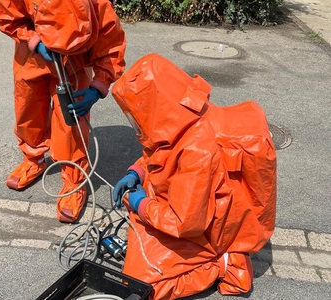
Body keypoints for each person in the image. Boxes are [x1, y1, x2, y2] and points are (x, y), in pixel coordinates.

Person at [111, 53, 277, 299]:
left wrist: (142, 205)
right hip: (209, 212)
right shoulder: (187, 116)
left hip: (210, 229)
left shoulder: (196, 152)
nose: (136, 123)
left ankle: (226, 263)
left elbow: (184, 223)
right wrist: (137, 171)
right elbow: (160, 150)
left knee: (142, 286)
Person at [0, 0, 126, 222]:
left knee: (71, 124)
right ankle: (33, 159)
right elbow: (8, 15)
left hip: (74, 66)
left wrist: (97, 87)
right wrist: (34, 40)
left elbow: (111, 46)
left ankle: (74, 178)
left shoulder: (97, 5)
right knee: (28, 110)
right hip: (32, 59)